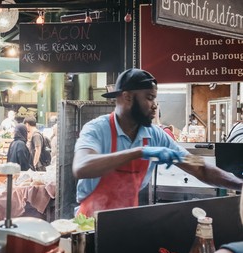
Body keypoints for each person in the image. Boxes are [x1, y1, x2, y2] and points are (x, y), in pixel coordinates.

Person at [72, 68, 243, 217]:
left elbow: (198, 166)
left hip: (125, 219)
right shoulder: (97, 129)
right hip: (89, 223)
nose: (155, 105)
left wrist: (240, 185)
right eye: (149, 98)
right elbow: (81, 166)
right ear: (127, 97)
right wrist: (139, 152)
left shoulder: (156, 136)